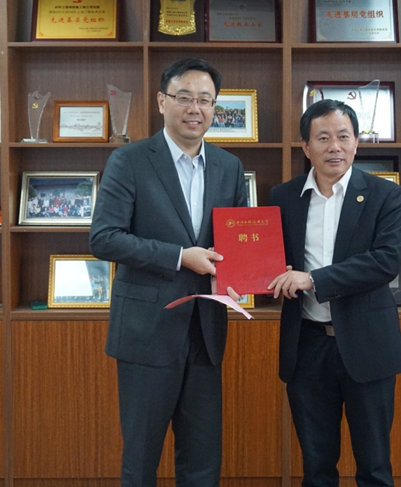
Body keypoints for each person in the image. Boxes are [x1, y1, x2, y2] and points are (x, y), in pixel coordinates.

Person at [89, 57, 247, 487]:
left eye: (206, 100)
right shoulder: (130, 160)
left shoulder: (229, 167)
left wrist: (249, 271)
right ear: (162, 101)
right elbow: (104, 238)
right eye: (184, 97)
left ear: (214, 108)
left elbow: (236, 241)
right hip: (147, 331)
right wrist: (180, 256)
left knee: (202, 459)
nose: (195, 109)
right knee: (141, 459)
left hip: (205, 331)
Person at [267, 99, 401, 486]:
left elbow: (385, 262)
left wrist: (313, 279)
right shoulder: (283, 197)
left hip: (368, 346)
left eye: (343, 137)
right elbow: (271, 261)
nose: (335, 147)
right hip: (308, 346)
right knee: (316, 467)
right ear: (305, 146)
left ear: (357, 142)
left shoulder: (385, 195)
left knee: (374, 467)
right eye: (323, 138)